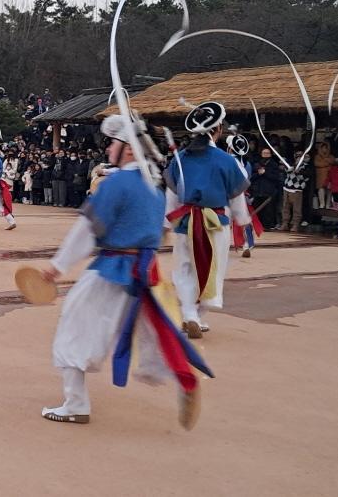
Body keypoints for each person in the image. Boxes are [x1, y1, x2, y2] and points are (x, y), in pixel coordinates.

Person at [38, 114, 210, 429]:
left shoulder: (116, 183)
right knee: (152, 332)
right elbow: (162, 229)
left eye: (113, 144)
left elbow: (87, 229)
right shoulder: (155, 186)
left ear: (129, 149)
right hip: (144, 270)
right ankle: (184, 378)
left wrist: (58, 265)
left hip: (112, 268)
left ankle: (75, 404)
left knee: (74, 328)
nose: (107, 150)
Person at [164, 102, 251, 339]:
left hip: (185, 221)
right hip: (215, 223)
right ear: (218, 129)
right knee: (212, 269)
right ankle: (197, 315)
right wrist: (243, 221)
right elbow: (236, 197)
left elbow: (171, 194)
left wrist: (166, 222)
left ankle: (189, 313)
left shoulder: (180, 159)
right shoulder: (226, 160)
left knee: (184, 268)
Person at [225, 133, 261, 258]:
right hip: (241, 193)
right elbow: (247, 179)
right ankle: (247, 244)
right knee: (244, 219)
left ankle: (221, 247)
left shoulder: (225, 160)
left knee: (224, 222)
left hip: (226, 194)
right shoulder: (246, 163)